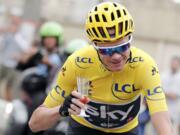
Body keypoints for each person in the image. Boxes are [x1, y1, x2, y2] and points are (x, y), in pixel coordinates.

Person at [29, 2, 175, 135]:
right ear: (94, 46)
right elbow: (34, 124)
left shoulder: (144, 65)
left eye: (123, 46)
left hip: (126, 131)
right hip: (84, 129)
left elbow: (160, 117)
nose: (116, 56)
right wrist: (60, 110)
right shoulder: (78, 63)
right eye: (107, 50)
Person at [161, 56, 180, 135]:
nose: (173, 65)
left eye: (176, 63)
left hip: (171, 112)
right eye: (172, 63)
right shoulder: (164, 75)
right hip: (160, 110)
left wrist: (162, 93)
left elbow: (174, 95)